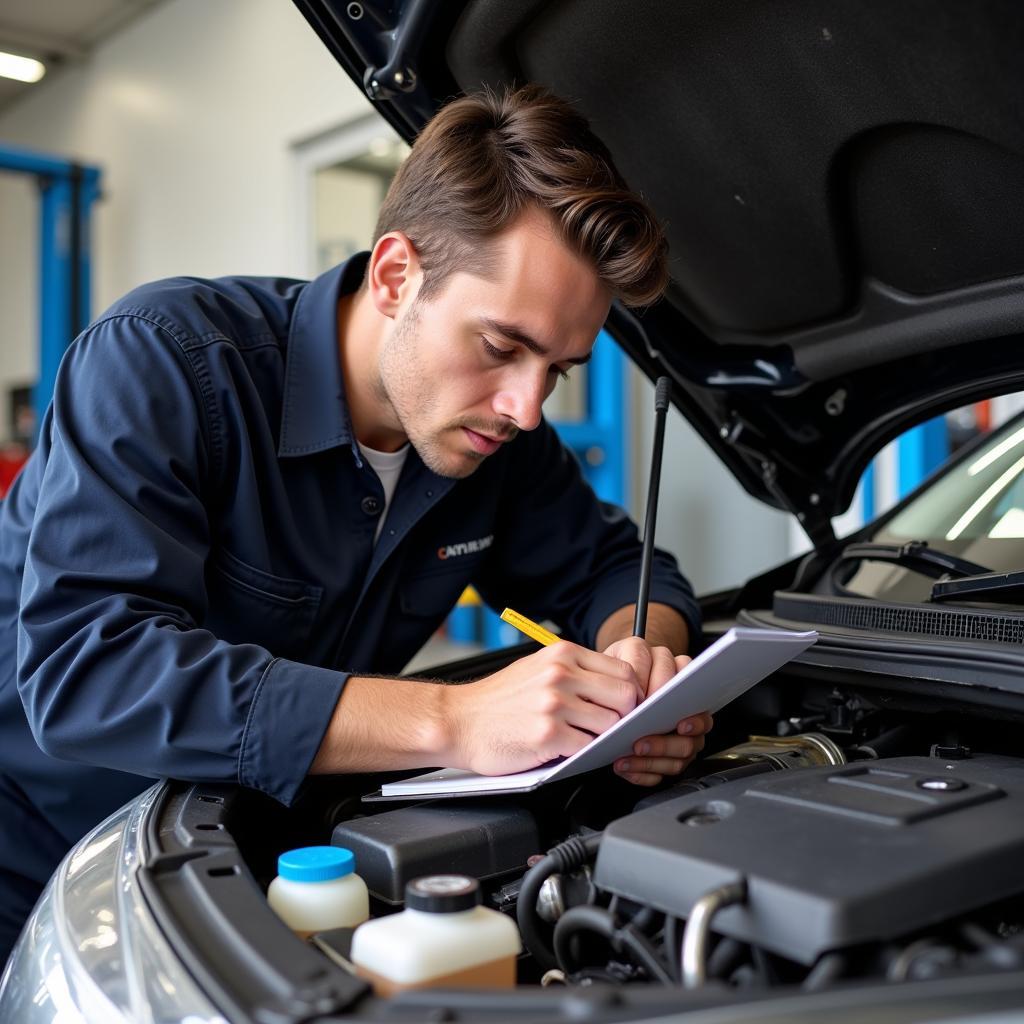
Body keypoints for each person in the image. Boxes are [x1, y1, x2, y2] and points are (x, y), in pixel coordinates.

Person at [0, 85, 709, 964]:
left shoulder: (497, 441)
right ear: (395, 275)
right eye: (499, 347)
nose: (527, 409)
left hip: (261, 854)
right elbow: (90, 671)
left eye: (557, 370)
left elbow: (613, 565)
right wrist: (453, 721)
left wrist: (644, 664)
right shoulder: (163, 361)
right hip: (40, 852)